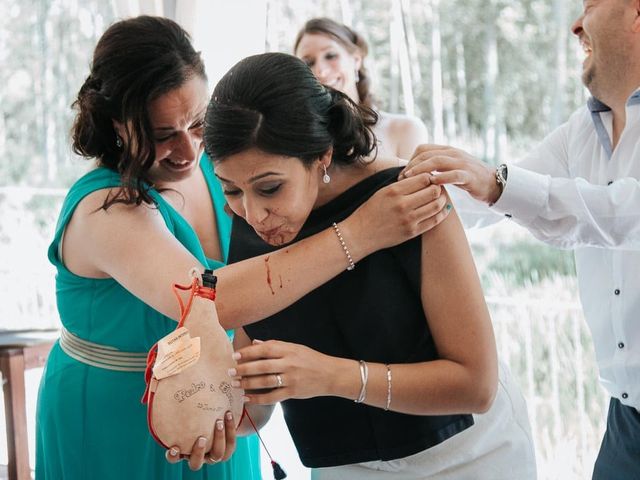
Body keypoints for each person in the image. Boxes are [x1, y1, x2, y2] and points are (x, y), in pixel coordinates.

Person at [35, 16, 451, 480]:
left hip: (217, 410)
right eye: (162, 134)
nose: (189, 150)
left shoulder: (231, 178)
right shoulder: (104, 208)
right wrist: (362, 232)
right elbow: (214, 302)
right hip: (112, 419)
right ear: (116, 124)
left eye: (198, 123)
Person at [204, 51, 536, 480]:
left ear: (320, 156)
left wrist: (331, 376)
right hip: (347, 467)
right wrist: (222, 418)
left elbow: (475, 386)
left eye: (270, 187)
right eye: (230, 189)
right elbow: (259, 398)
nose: (253, 213)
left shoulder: (410, 197)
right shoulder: (252, 222)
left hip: (468, 457)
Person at [400, 1, 640, 478]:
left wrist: (496, 183)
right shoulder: (581, 131)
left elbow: (622, 213)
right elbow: (488, 200)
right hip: (626, 420)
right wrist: (395, 195)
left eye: (590, 5)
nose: (575, 24)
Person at [294, 17, 428, 160]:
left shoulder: (406, 130)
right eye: (308, 63)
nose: (321, 71)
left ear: (356, 60)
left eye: (330, 56)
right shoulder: (297, 141)